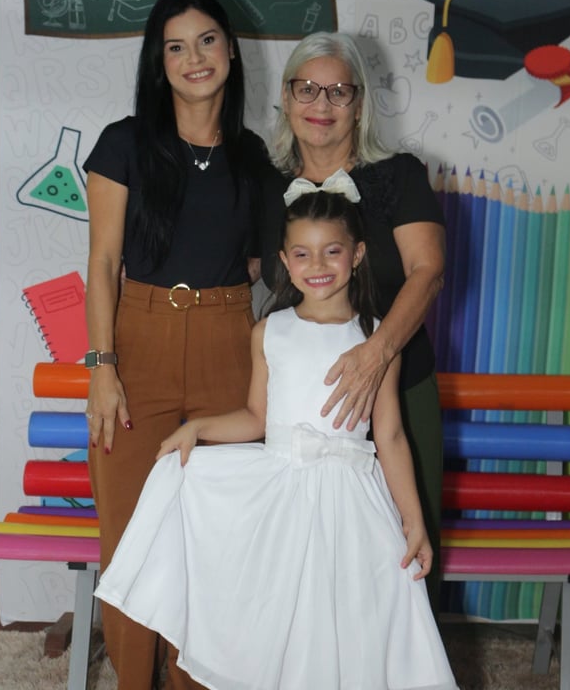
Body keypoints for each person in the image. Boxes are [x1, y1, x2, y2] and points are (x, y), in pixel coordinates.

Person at [94, 185, 458, 690]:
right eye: (302, 254)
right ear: (284, 261)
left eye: (332, 251)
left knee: (354, 620)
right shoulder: (271, 331)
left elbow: (391, 435)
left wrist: (413, 520)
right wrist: (197, 428)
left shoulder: (377, 341)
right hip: (283, 497)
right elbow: (256, 418)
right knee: (281, 622)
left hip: (354, 503)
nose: (318, 265)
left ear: (357, 254)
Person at [84, 0, 275, 690]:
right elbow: (103, 262)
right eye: (175, 46)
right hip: (138, 348)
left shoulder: (254, 156)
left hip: (229, 349)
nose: (194, 58)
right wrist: (102, 368)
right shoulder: (124, 144)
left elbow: (270, 263)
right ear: (157, 62)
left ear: (231, 50)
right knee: (132, 541)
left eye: (206, 40)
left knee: (217, 545)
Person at [259, 31, 446, 610]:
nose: (322, 104)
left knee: (403, 562)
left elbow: (428, 272)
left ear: (359, 104)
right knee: (300, 577)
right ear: (286, 98)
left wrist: (376, 354)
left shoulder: (400, 176)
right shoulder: (263, 184)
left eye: (338, 91)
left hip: (398, 393)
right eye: (307, 89)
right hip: (298, 416)